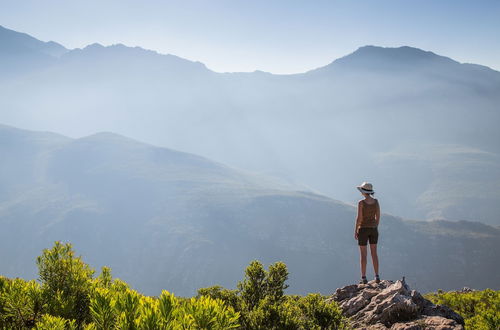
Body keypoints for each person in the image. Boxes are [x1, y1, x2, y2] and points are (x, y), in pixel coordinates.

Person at [354, 182, 381, 284]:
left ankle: (364, 278)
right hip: (373, 229)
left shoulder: (361, 203)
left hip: (363, 229)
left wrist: (356, 230)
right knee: (374, 253)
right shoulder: (376, 202)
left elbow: (359, 218)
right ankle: (377, 276)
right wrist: (375, 226)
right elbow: (378, 216)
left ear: (363, 192)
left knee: (363, 254)